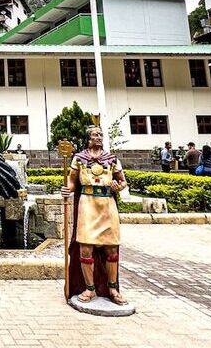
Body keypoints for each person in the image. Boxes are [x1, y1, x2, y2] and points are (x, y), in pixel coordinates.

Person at [61, 125, 129, 305]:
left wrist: (118, 186)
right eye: (94, 134)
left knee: (111, 248)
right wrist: (67, 189)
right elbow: (72, 181)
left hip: (107, 203)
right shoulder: (79, 159)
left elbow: (123, 181)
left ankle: (113, 289)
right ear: (88, 138)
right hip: (87, 204)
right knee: (85, 248)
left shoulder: (112, 159)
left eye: (100, 134)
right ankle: (89, 289)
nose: (98, 137)